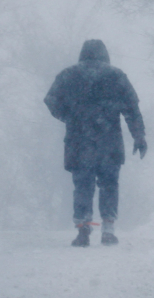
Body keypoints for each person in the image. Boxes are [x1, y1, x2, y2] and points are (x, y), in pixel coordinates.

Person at [44, 38, 147, 247]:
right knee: (109, 184)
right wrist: (139, 136)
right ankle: (108, 229)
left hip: (79, 140)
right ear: (105, 54)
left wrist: (69, 116)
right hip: (109, 141)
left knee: (83, 185)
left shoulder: (67, 75)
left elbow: (51, 100)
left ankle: (83, 229)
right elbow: (132, 109)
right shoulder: (116, 76)